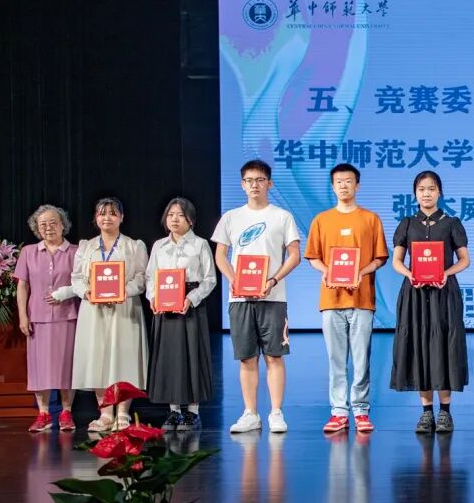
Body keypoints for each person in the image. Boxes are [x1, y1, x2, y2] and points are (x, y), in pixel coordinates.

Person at [212, 159, 301, 434]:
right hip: (240, 299)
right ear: (242, 184)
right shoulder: (231, 217)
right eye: (249, 180)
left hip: (273, 298)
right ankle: (250, 413)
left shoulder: (282, 216)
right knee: (247, 358)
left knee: (274, 355)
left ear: (269, 183)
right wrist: (234, 280)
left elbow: (294, 255)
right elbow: (220, 255)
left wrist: (273, 280)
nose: (255, 185)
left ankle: (276, 412)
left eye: (260, 180)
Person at [304, 163, 388, 435]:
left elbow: (380, 258)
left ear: (357, 185)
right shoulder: (321, 220)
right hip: (332, 299)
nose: (343, 185)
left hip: (362, 299)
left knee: (361, 360)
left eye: (348, 181)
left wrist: (360, 272)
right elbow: (313, 257)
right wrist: (327, 271)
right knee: (336, 359)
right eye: (338, 181)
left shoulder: (370, 219)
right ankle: (339, 411)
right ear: (332, 186)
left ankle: (361, 410)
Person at [389, 171, 470, 433]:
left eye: (431, 189)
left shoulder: (452, 223)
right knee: (419, 346)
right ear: (415, 193)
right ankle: (426, 413)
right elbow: (396, 261)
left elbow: (464, 260)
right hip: (415, 293)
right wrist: (409, 274)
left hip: (444, 293)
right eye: (422, 189)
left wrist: (446, 273)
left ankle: (445, 412)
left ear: (439, 192)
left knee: (444, 346)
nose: (426, 193)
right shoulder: (407, 223)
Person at [70, 197, 149, 432]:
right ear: (95, 218)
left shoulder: (134, 246)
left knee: (124, 359)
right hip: (93, 310)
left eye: (113, 213)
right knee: (98, 359)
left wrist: (124, 291)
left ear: (122, 217)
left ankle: (123, 412)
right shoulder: (86, 247)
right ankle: (105, 413)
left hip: (124, 309)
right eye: (102, 213)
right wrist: (86, 292)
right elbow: (76, 278)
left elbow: (142, 278)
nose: (107, 218)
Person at [146, 197, 217, 431]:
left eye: (180, 215)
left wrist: (191, 299)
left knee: (192, 356)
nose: (174, 219)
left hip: (190, 304)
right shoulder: (159, 245)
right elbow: (150, 276)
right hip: (165, 304)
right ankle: (174, 411)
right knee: (169, 358)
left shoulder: (200, 244)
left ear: (191, 220)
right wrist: (153, 297)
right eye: (170, 215)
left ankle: (193, 412)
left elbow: (209, 279)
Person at [14, 205, 80, 432]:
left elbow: (83, 283)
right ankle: (43, 414)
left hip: (68, 316)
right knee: (39, 368)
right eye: (43, 224)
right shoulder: (28, 252)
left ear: (63, 225)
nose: (48, 228)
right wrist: (23, 316)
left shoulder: (76, 251)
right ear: (37, 229)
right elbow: (22, 286)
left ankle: (66, 412)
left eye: (53, 222)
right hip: (37, 318)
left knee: (66, 366)